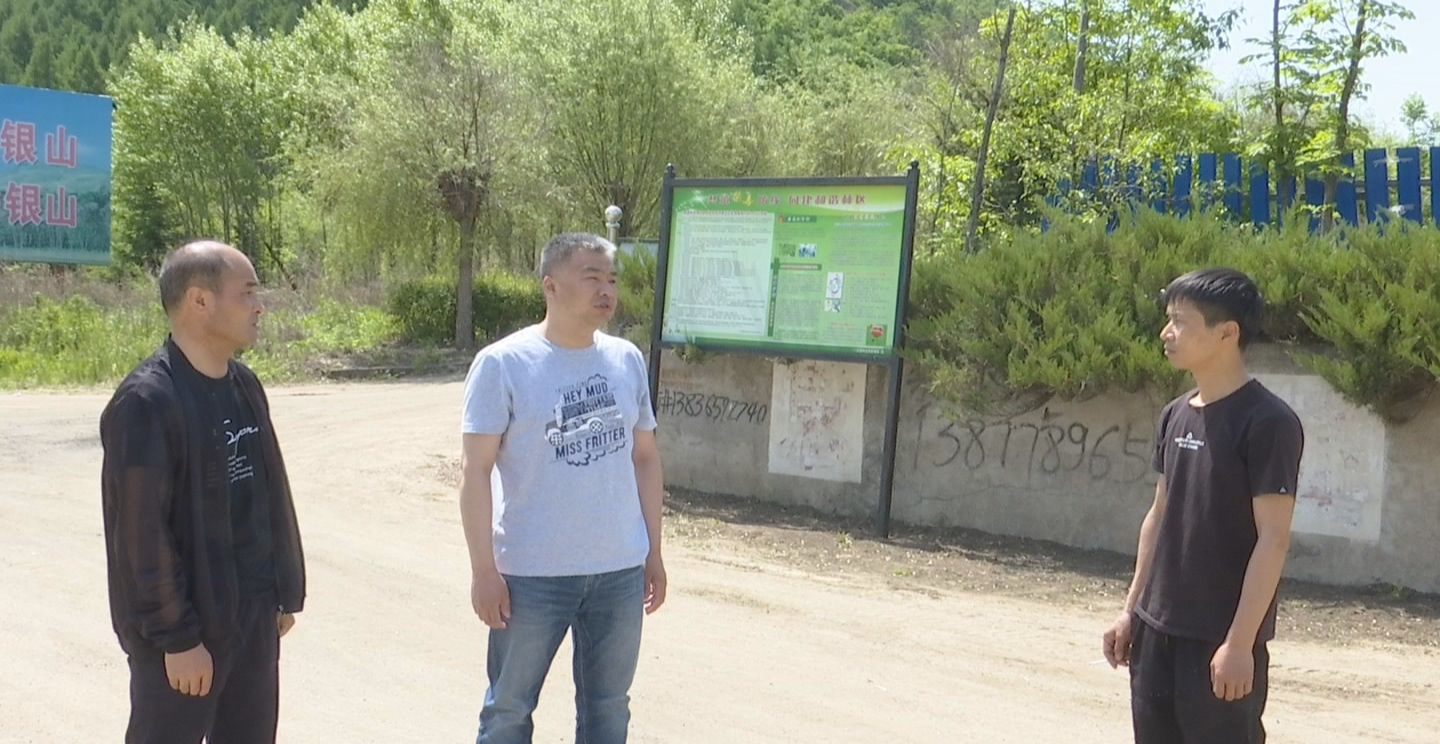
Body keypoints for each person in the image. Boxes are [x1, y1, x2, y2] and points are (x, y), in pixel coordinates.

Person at [459, 232, 667, 744]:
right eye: (591, 277)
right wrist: (484, 570)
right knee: (508, 709)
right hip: (532, 574)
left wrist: (653, 553)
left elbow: (644, 457)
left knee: (608, 709)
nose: (606, 290)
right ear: (550, 286)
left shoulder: (626, 360)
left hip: (618, 570)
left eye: (611, 279)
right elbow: (475, 471)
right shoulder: (504, 364)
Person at [99, 240, 307, 744]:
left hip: (252, 619)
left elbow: (268, 495)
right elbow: (142, 538)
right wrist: (177, 638)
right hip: (186, 637)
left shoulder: (244, 386)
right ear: (200, 301)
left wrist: (281, 591)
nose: (259, 307)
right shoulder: (147, 401)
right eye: (247, 293)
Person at [1102, 268, 1304, 744]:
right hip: (1155, 633)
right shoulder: (1174, 414)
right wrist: (1131, 612)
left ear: (1227, 333)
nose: (1165, 333)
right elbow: (1158, 517)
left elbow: (1273, 539)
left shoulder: (1269, 422)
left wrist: (1239, 644)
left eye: (1180, 321)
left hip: (1218, 639)